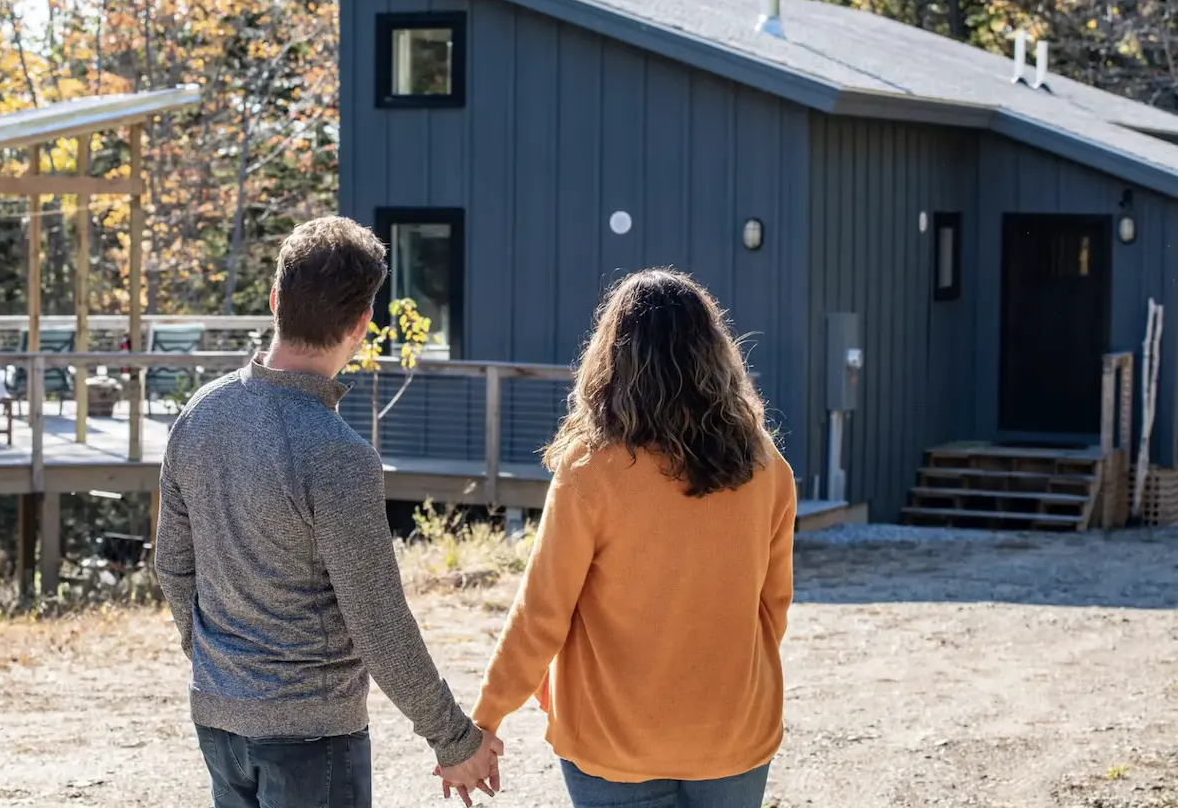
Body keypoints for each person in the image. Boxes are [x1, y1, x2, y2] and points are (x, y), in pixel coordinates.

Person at [154, 216, 502, 808]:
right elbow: (376, 619)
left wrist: (217, 663)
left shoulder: (199, 416)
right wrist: (452, 738)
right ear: (362, 325)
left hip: (217, 718)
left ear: (274, 301)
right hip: (310, 733)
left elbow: (171, 566)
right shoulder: (338, 454)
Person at [471, 268, 795, 808]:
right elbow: (773, 608)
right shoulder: (766, 467)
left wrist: (485, 717)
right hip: (733, 731)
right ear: (714, 354)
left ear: (612, 359)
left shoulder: (592, 470)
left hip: (611, 738)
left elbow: (542, 611)